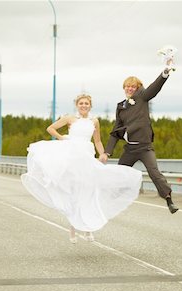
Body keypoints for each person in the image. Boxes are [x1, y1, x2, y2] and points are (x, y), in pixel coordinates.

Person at [21, 94, 142, 244]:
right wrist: (62, 138)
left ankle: (87, 229)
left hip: (87, 156)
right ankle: (73, 229)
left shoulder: (94, 121)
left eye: (86, 103)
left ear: (90, 106)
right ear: (77, 105)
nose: (83, 105)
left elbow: (97, 140)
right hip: (72, 158)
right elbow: (50, 128)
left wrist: (103, 153)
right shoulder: (70, 118)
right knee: (73, 193)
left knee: (88, 192)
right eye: (81, 103)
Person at [99, 64, 179, 214]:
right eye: (127, 87)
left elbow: (154, 87)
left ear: (137, 88)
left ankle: (169, 199)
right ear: (124, 88)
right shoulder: (121, 107)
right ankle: (109, 200)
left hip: (145, 148)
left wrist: (165, 72)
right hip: (130, 149)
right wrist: (106, 152)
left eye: (132, 87)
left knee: (154, 172)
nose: (129, 89)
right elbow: (115, 132)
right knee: (119, 173)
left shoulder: (143, 98)